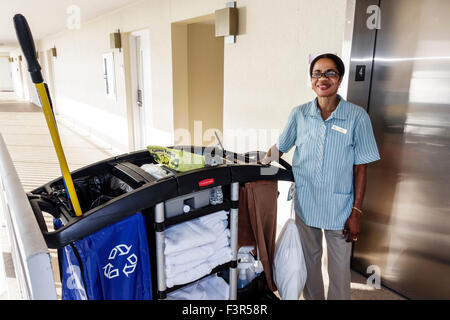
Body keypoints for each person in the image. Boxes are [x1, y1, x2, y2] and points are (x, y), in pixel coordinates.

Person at [261, 53, 380, 300]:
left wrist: (357, 211)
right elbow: (280, 147)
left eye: (330, 73)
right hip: (306, 203)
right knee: (309, 265)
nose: (322, 79)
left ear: (340, 78)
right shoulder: (300, 114)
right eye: (317, 73)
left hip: (341, 207)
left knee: (338, 271)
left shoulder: (358, 117)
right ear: (311, 78)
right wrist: (257, 164)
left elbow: (361, 168)